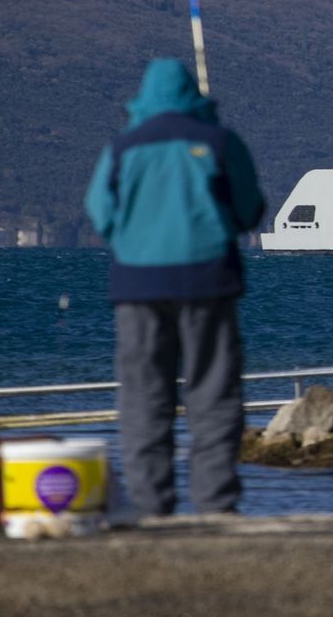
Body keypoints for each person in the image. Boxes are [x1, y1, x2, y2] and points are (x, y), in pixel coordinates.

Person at [85, 58, 265, 516]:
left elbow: (102, 214)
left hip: (138, 287)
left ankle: (151, 506)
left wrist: (137, 241)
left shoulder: (123, 148)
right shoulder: (220, 142)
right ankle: (215, 504)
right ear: (194, 95)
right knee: (213, 394)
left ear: (143, 97)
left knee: (144, 396)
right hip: (209, 282)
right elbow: (250, 210)